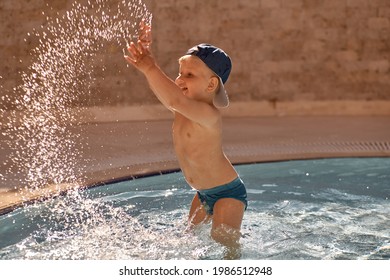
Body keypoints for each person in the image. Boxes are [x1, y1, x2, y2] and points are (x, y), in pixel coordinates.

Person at [124, 20, 247, 258]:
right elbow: (167, 95)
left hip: (228, 194)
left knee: (226, 245)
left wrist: (151, 68)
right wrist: (145, 63)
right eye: (179, 73)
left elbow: (174, 100)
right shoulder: (183, 109)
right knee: (189, 237)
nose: (179, 80)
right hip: (202, 193)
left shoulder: (209, 115)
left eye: (189, 75)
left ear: (212, 84)